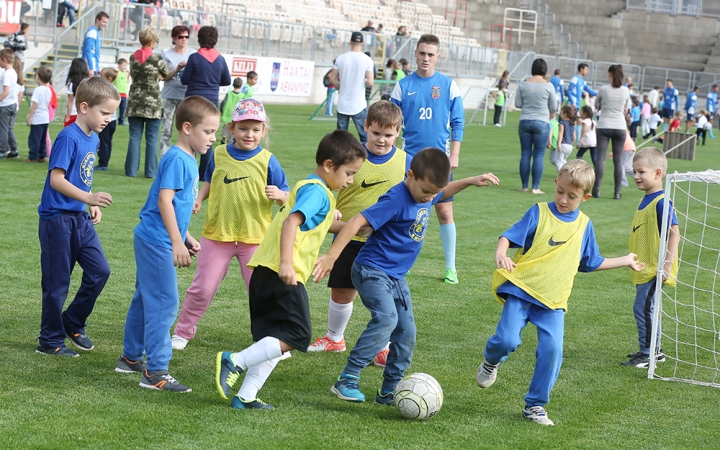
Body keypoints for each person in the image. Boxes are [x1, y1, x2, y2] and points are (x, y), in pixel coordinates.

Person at [312, 148, 499, 404]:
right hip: (371, 269)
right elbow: (356, 222)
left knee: (407, 332)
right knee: (387, 319)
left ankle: (389, 390)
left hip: (395, 276)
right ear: (410, 175)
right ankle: (348, 378)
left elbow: (442, 191)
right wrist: (332, 256)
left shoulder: (426, 192)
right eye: (425, 192)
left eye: (433, 194)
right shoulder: (396, 199)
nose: (429, 198)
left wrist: (469, 180)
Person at [476, 159, 644, 426]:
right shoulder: (539, 212)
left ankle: (535, 405)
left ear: (586, 197)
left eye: (572, 196)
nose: (563, 199)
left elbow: (590, 262)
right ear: (555, 184)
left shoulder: (584, 225)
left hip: (553, 301)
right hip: (521, 290)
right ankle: (490, 361)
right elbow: (508, 236)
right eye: (560, 192)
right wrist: (501, 251)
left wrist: (625, 259)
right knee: (506, 340)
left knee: (552, 351)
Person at [214, 130, 366, 410]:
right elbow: (291, 223)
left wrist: (357, 230)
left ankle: (245, 396)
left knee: (274, 338)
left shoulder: (310, 186)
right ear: (330, 165)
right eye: (349, 173)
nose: (351, 181)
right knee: (298, 335)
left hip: (266, 269)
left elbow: (319, 224)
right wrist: (286, 263)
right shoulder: (318, 193)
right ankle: (234, 360)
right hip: (281, 271)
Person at [116, 95, 220, 391]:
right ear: (187, 128)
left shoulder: (186, 159)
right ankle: (155, 372)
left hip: (154, 236)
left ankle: (131, 357)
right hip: (157, 241)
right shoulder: (178, 158)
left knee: (145, 299)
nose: (212, 138)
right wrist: (176, 242)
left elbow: (173, 205)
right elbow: (164, 200)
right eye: (208, 131)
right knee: (164, 303)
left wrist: (185, 236)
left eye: (214, 132)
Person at [171, 98, 290, 351]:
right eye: (244, 128)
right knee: (202, 288)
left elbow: (287, 195)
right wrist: (199, 200)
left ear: (263, 131)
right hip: (217, 236)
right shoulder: (218, 153)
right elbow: (210, 181)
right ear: (231, 128)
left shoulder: (270, 160)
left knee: (261, 293)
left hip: (256, 239)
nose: (250, 134)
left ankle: (268, 339)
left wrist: (279, 195)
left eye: (256, 129)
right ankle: (182, 331)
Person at [307, 101, 408, 361]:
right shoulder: (351, 157)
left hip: (384, 245)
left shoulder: (406, 162)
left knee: (383, 299)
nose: (382, 140)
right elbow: (325, 184)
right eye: (376, 133)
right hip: (347, 237)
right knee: (342, 290)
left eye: (388, 135)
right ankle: (334, 338)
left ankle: (382, 347)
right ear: (365, 126)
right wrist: (331, 209)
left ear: (398, 132)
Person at [37, 77, 120, 357]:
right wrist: (88, 198)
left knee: (100, 271)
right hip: (57, 220)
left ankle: (72, 321)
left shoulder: (93, 137)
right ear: (84, 107)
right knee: (57, 283)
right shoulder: (67, 136)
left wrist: (89, 201)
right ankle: (49, 341)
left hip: (80, 218)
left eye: (112, 113)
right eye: (105, 112)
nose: (109, 118)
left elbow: (80, 176)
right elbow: (57, 180)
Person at [390, 34, 466, 284]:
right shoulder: (403, 85)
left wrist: (454, 153)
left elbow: (457, 122)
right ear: (416, 54)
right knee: (406, 212)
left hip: (439, 160)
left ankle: (451, 267)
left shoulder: (448, 85)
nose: (426, 58)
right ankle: (404, 261)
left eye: (430, 54)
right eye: (422, 53)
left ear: (438, 56)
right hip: (410, 158)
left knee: (445, 212)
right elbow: (393, 121)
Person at [621, 148, 679, 368]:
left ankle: (649, 353)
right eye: (634, 171)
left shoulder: (662, 202)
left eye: (641, 172)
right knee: (646, 308)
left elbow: (675, 233)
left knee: (643, 308)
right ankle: (653, 349)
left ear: (657, 173)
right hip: (645, 267)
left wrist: (666, 265)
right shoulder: (647, 198)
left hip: (656, 268)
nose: (635, 176)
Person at [181, 25, 231, 181]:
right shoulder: (220, 59)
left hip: (194, 101)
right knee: (208, 136)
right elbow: (227, 80)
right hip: (211, 100)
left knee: (189, 135)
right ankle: (204, 174)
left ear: (199, 39)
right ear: (215, 40)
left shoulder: (195, 58)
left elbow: (184, 80)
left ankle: (189, 171)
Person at [125, 27, 167, 179]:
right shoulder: (157, 60)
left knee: (134, 138)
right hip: (153, 103)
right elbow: (165, 74)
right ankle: (151, 172)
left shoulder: (132, 58)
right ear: (151, 41)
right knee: (152, 139)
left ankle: (131, 171)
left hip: (135, 101)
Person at [512, 58, 557, 194]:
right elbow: (554, 106)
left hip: (525, 120)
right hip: (542, 122)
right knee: (538, 155)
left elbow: (518, 104)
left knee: (525, 153)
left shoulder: (523, 84)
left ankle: (524, 186)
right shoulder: (549, 86)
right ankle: (535, 187)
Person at [593, 64, 631, 199]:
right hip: (620, 126)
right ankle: (617, 191)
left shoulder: (604, 89)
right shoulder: (625, 91)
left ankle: (596, 189)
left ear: (610, 75)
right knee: (618, 160)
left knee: (601, 159)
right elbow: (627, 108)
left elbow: (596, 104)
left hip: (604, 125)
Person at [328, 32, 374, 142]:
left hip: (343, 102)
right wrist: (362, 82)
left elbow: (332, 78)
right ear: (362, 43)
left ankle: (342, 158)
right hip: (358, 103)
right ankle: (366, 158)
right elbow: (370, 81)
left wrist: (341, 86)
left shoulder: (341, 58)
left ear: (350, 42)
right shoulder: (367, 59)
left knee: (341, 138)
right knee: (364, 136)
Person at [160, 25, 195, 156]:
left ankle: (187, 158)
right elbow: (164, 77)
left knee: (187, 130)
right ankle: (164, 159)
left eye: (186, 36)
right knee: (166, 131)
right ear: (174, 38)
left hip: (186, 96)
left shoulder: (192, 53)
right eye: (181, 37)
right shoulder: (166, 54)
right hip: (169, 96)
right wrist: (177, 69)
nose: (184, 39)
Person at [25, 66, 53, 162]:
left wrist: (29, 117)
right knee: (42, 138)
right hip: (45, 117)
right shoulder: (49, 89)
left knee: (35, 138)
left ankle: (33, 156)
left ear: (38, 76)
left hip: (37, 117)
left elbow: (34, 105)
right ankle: (42, 155)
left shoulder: (38, 90)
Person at [96, 68, 119, 171]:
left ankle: (103, 163)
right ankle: (105, 162)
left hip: (107, 120)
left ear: (109, 79)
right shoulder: (114, 89)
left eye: (102, 77)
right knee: (107, 141)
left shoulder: (108, 91)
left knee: (104, 141)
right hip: (113, 120)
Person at [0, 49, 18, 159]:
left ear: (4, 59)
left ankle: (2, 150)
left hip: (5, 105)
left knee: (3, 129)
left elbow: (6, 91)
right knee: (9, 129)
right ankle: (14, 150)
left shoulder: (6, 74)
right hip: (13, 103)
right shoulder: (13, 72)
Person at [82, 12, 110, 77]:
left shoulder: (95, 32)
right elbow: (88, 51)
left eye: (107, 22)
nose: (105, 24)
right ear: (97, 20)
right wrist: (91, 68)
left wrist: (97, 68)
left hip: (93, 68)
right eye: (104, 22)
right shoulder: (92, 32)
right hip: (89, 68)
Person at [64, 58, 89, 128]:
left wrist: (67, 116)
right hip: (84, 113)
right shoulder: (87, 83)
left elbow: (70, 101)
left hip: (72, 113)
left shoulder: (71, 83)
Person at [218, 77, 244, 144]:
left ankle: (224, 136)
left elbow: (223, 102)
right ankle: (231, 140)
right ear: (241, 86)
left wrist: (221, 111)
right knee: (233, 127)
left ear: (233, 84)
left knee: (226, 126)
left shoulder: (229, 93)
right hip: (235, 114)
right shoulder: (242, 95)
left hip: (227, 113)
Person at [552, 105, 576, 172]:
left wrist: (559, 144)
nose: (560, 114)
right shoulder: (572, 124)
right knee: (563, 160)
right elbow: (574, 137)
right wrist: (572, 143)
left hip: (563, 144)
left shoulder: (562, 123)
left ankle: (562, 176)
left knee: (558, 161)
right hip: (570, 145)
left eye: (561, 113)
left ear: (565, 114)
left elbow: (561, 133)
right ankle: (568, 172)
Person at [114, 58, 130, 126]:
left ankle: (121, 120)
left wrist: (129, 73)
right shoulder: (117, 72)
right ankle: (112, 119)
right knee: (114, 108)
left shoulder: (125, 74)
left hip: (124, 94)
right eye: (123, 65)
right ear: (119, 65)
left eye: (126, 65)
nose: (125, 67)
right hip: (117, 94)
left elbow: (128, 81)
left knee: (122, 109)